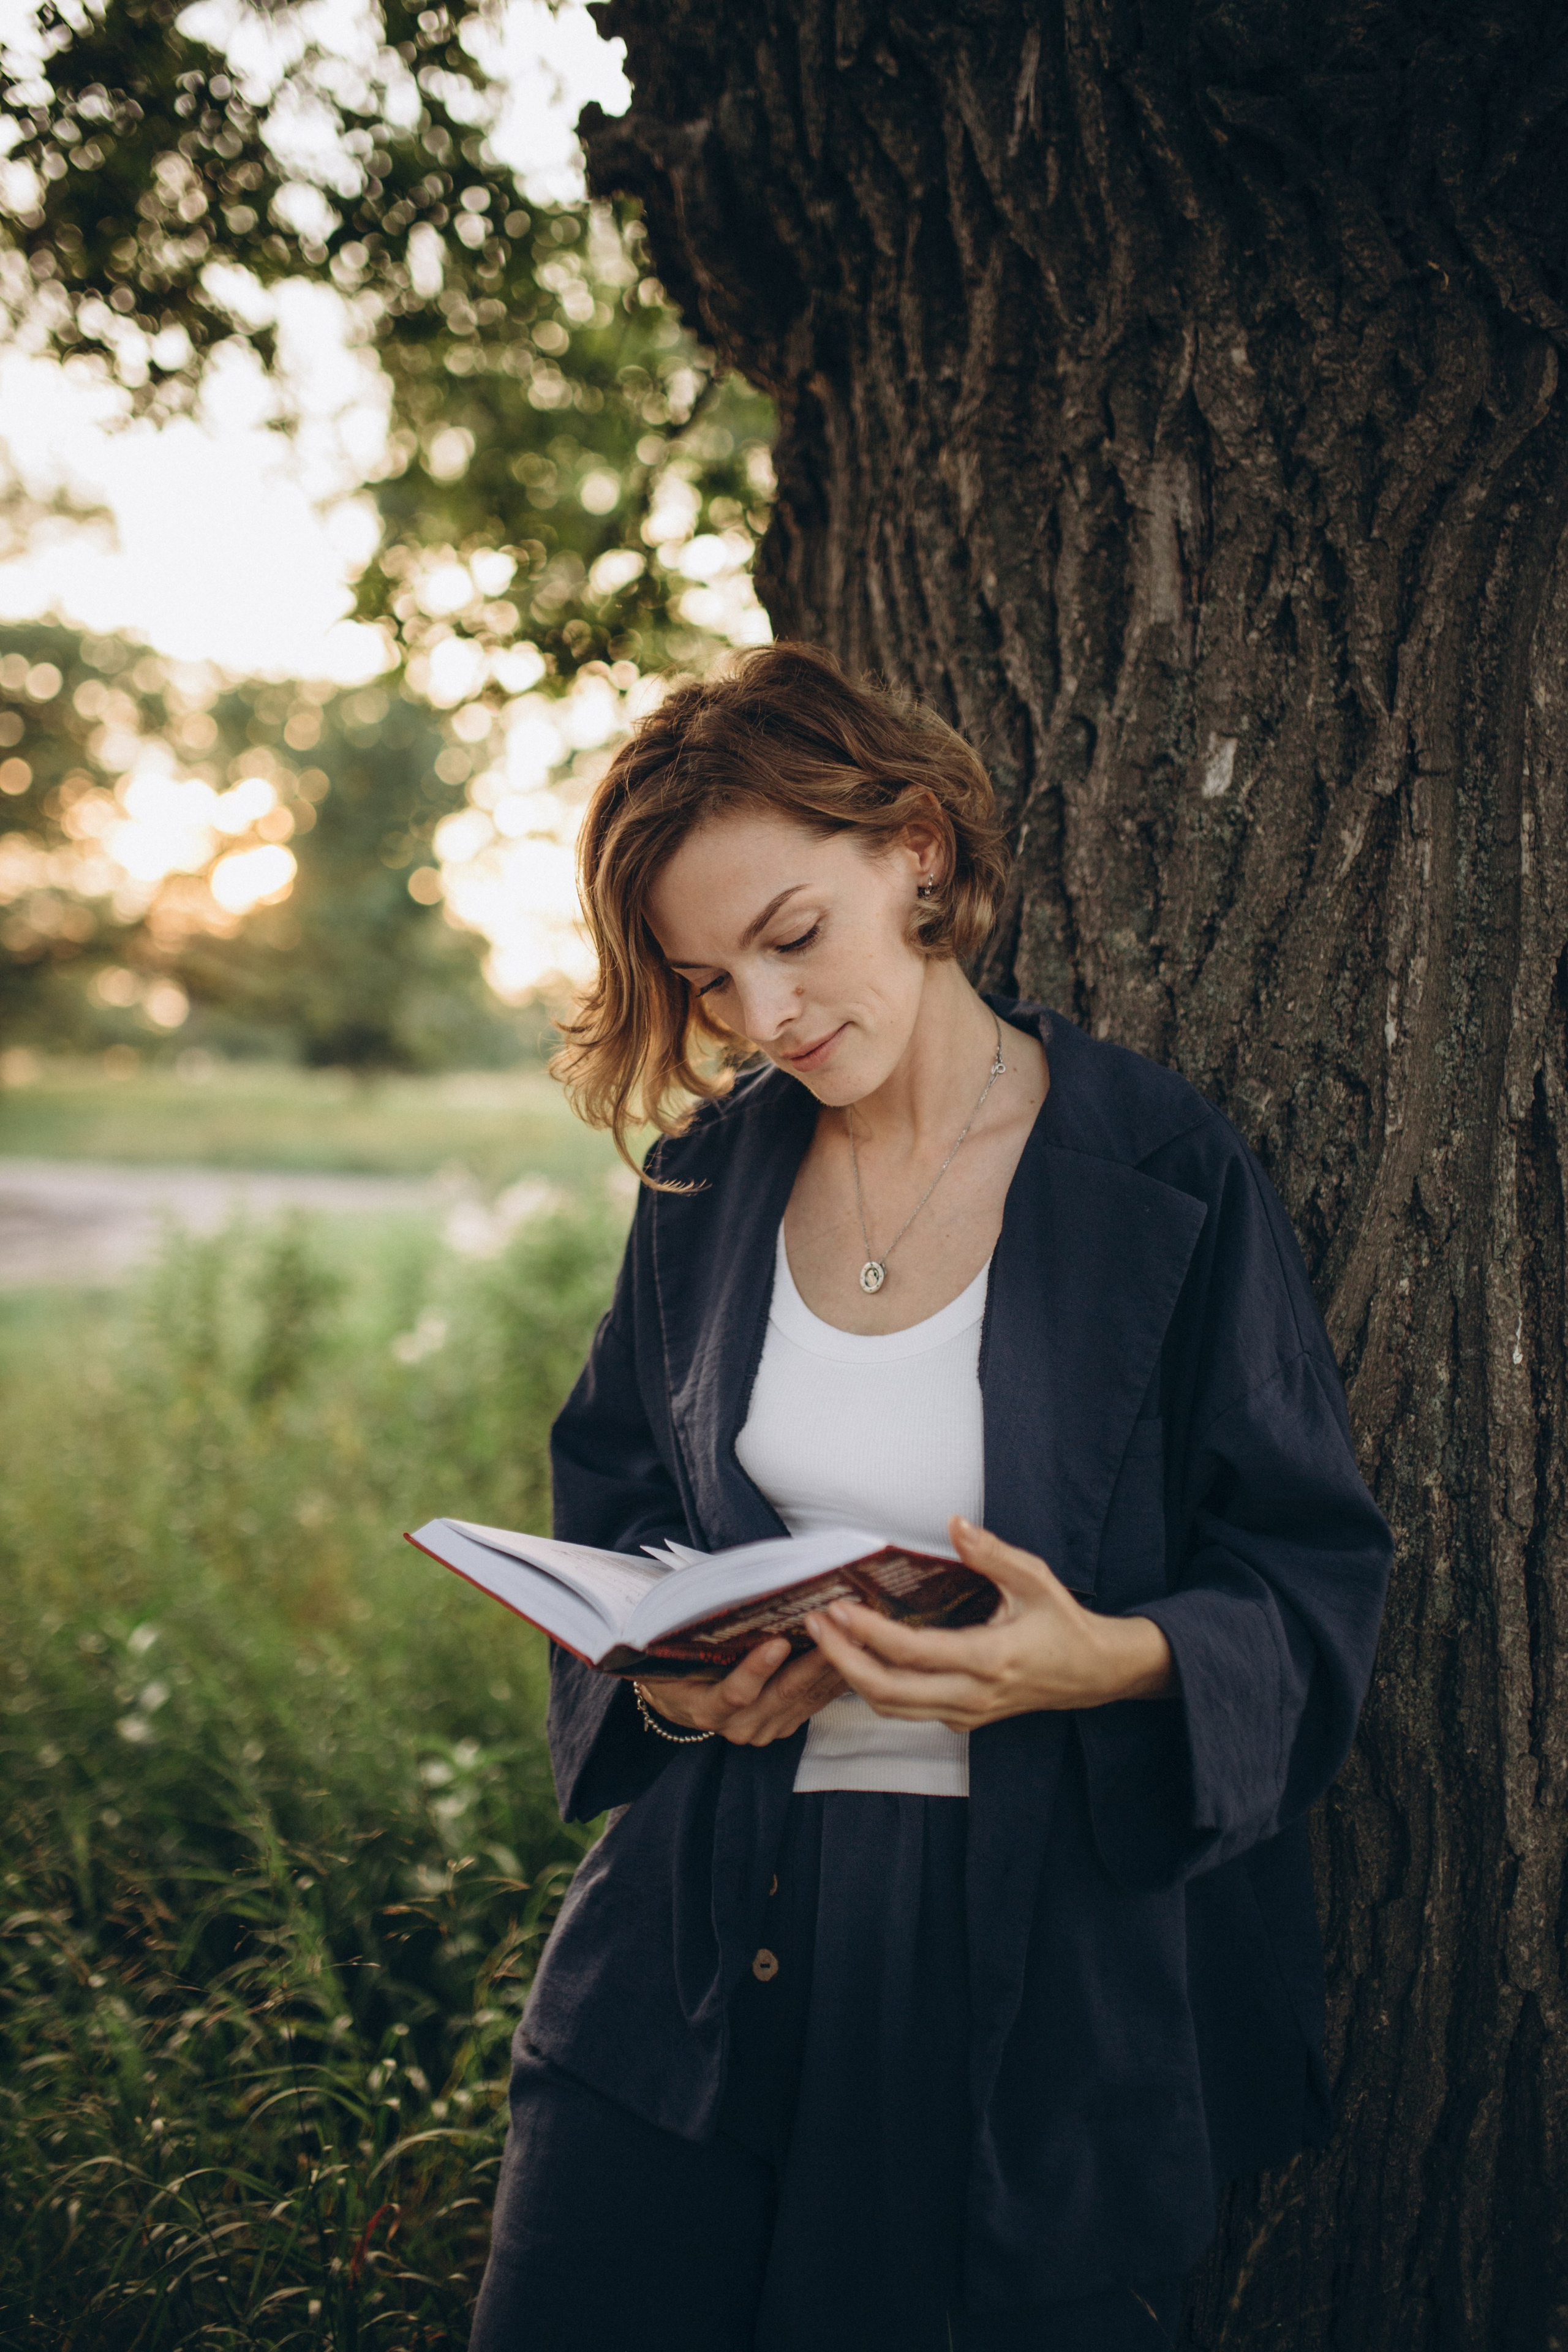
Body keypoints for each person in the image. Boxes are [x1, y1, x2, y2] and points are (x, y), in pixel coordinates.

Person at [467, 641, 1392, 2352]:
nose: (764, 1018)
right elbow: (615, 1497)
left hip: (1029, 1968)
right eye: (709, 979)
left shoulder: (1157, 1170)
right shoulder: (708, 1178)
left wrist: (1098, 1660)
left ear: (917, 850)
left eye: (792, 937)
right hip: (693, 1945)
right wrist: (669, 1687)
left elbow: (1308, 1567)